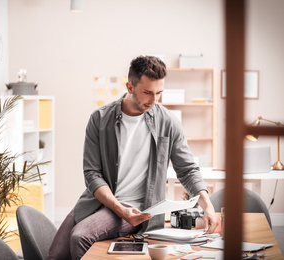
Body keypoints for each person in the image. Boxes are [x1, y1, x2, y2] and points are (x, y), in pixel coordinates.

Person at [46, 56, 218, 260]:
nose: (154, 101)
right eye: (147, 93)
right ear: (129, 86)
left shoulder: (168, 122)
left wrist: (207, 205)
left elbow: (187, 169)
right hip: (97, 202)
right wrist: (117, 208)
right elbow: (92, 174)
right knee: (55, 257)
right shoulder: (100, 119)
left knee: (80, 237)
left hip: (137, 208)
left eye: (159, 93)